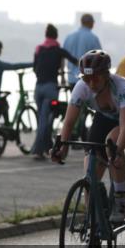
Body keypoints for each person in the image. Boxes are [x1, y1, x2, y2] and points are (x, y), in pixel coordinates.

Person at [53, 50, 125, 223]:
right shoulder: (81, 88)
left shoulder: (122, 87)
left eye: (96, 78)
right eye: (86, 78)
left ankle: (120, 201)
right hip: (105, 118)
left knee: (112, 145)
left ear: (106, 75)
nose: (91, 83)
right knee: (91, 157)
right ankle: (92, 216)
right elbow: (68, 123)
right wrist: (63, 147)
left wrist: (117, 153)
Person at [31, 24, 78, 159]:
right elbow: (74, 61)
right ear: (56, 36)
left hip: (38, 87)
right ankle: (39, 150)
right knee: (45, 121)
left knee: (42, 119)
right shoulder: (59, 50)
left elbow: (35, 68)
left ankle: (46, 147)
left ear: (46, 35)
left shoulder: (38, 49)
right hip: (51, 88)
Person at [63, 13, 102, 85]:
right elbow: (100, 59)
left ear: (81, 22)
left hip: (71, 79)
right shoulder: (93, 38)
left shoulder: (69, 37)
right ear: (91, 23)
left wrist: (62, 78)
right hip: (88, 80)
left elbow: (62, 57)